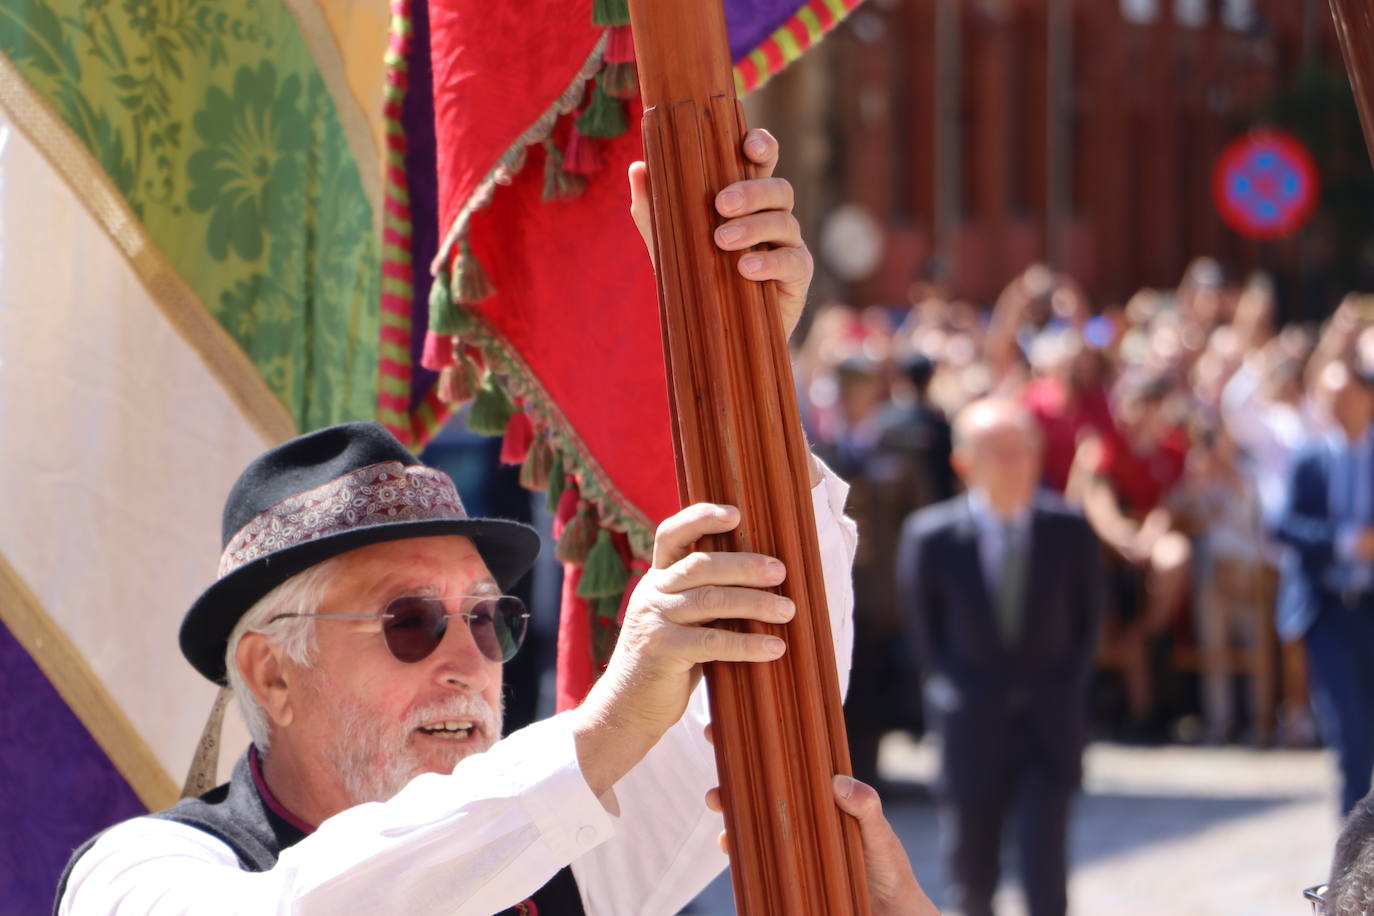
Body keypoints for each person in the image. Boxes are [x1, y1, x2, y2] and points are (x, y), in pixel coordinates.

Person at [54, 131, 916, 915]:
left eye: (489, 617)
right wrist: (607, 724)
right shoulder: (142, 874)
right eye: (411, 621)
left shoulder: (561, 853)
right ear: (271, 674)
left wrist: (743, 355)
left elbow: (773, 665)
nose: (471, 662)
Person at [898, 398, 1104, 916]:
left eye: (1023, 451)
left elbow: (1087, 625)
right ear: (964, 462)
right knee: (972, 875)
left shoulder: (1068, 531)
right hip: (972, 728)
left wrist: (1061, 695)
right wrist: (960, 695)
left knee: (1045, 874)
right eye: (999, 453)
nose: (1015, 465)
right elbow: (926, 637)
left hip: (1048, 728)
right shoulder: (932, 538)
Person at [1274, 360, 1374, 814]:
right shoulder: (1310, 458)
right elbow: (1283, 525)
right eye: (1329, 395)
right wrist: (1346, 541)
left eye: (1346, 394)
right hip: (1329, 611)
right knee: (1349, 731)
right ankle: (1353, 865)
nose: (1336, 405)